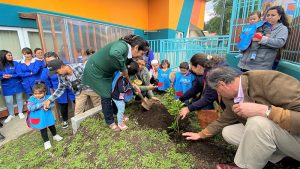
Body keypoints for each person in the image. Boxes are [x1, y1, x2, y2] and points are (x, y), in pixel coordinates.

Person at [182, 67, 300, 169]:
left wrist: (265, 111)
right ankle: (281, 157)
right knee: (229, 132)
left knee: (257, 121)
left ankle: (244, 166)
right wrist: (201, 134)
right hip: (284, 137)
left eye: (217, 91)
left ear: (222, 85)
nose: (219, 94)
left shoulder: (269, 81)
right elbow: (223, 120)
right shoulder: (232, 96)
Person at [82, 34, 149, 131]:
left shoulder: (129, 55)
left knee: (114, 92)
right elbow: (114, 53)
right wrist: (123, 68)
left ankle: (116, 112)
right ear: (136, 48)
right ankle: (110, 122)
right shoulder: (123, 45)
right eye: (141, 53)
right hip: (96, 71)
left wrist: (134, 85)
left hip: (107, 72)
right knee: (106, 95)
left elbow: (128, 73)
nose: (140, 56)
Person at [238, 6, 289, 71]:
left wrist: (261, 39)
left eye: (273, 15)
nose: (269, 17)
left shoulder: (282, 29)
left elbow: (280, 43)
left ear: (279, 16)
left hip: (259, 67)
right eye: (268, 15)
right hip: (244, 63)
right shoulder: (260, 25)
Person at [179, 53, 224, 119]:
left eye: (192, 67)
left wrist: (188, 108)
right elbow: (196, 87)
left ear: (198, 66)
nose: (192, 70)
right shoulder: (203, 73)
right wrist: (181, 98)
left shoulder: (212, 74)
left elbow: (209, 97)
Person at [40, 52, 75, 128]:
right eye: (48, 61)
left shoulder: (64, 64)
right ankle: (65, 120)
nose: (50, 63)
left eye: (52, 60)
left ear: (57, 58)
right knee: (63, 103)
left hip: (69, 84)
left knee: (76, 98)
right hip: (57, 86)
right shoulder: (47, 69)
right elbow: (44, 79)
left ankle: (80, 113)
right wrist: (51, 86)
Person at [27, 81, 63, 150]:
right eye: (35, 93)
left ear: (45, 92)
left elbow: (52, 104)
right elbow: (30, 108)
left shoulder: (48, 97)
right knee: (43, 129)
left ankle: (55, 135)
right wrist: (41, 104)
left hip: (47, 116)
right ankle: (46, 142)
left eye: (40, 93)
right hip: (39, 117)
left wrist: (47, 106)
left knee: (51, 126)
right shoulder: (31, 99)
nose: (37, 95)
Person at [112, 61, 139, 130]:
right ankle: (120, 123)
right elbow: (122, 90)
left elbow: (127, 84)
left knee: (121, 106)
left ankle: (122, 116)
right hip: (117, 96)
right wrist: (130, 87)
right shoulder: (121, 78)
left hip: (119, 95)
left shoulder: (124, 75)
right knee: (121, 108)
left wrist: (133, 86)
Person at [0, 50, 25, 123]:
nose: (11, 56)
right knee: (8, 101)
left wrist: (11, 75)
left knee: (19, 98)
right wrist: (3, 77)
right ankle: (11, 115)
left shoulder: (15, 63)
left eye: (11, 55)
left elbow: (19, 74)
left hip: (17, 84)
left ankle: (20, 112)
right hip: (6, 86)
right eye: (9, 55)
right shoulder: (0, 66)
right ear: (3, 56)